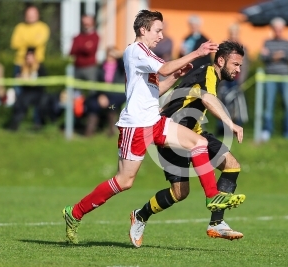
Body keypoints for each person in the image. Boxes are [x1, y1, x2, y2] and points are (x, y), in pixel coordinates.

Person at [62, 10, 245, 245]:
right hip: (136, 126)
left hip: (155, 121)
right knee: (124, 181)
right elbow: (165, 68)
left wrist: (175, 76)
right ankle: (74, 213)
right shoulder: (135, 51)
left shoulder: (146, 54)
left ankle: (212, 197)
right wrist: (196, 53)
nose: (161, 35)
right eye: (158, 30)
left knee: (198, 142)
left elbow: (155, 90)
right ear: (143, 30)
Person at [129, 41, 246, 247]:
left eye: (240, 66)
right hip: (170, 134)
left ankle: (216, 223)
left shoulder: (208, 75)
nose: (238, 69)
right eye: (235, 64)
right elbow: (208, 99)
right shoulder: (208, 72)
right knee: (179, 193)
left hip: (194, 134)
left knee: (232, 165)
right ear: (221, 60)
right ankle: (140, 215)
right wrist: (231, 124)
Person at [260, 17, 288, 141]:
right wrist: (279, 55)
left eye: (281, 29)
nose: (278, 31)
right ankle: (267, 131)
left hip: (285, 76)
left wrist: (271, 56)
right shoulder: (267, 42)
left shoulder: (287, 43)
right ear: (273, 29)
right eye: (276, 29)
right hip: (270, 77)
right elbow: (263, 57)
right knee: (268, 105)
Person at [84, 47, 126, 137]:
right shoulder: (100, 68)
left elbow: (125, 62)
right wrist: (101, 95)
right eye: (109, 55)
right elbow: (97, 84)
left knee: (111, 106)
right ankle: (89, 132)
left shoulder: (121, 67)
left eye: (113, 55)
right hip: (103, 95)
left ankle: (112, 131)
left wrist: (119, 56)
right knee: (93, 105)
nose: (111, 58)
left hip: (117, 95)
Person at [215, 24, 249, 136]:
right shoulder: (224, 49)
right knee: (222, 104)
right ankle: (222, 129)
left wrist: (241, 81)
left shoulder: (244, 49)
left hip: (237, 81)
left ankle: (237, 129)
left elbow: (245, 66)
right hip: (225, 80)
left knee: (236, 105)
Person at [7, 48, 47, 131]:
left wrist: (29, 80)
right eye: (27, 58)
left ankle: (37, 124)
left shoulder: (40, 68)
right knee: (19, 101)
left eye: (30, 57)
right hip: (26, 92)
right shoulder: (23, 68)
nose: (28, 60)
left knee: (25, 100)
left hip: (37, 93)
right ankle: (14, 124)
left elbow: (42, 84)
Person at [10, 5, 50, 88]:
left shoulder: (43, 27)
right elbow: (14, 44)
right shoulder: (19, 27)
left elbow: (38, 42)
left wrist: (24, 41)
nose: (30, 16)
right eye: (29, 14)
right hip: (20, 62)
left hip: (36, 63)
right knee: (18, 90)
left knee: (38, 89)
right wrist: (32, 40)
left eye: (33, 14)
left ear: (38, 15)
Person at [70, 15, 100, 120]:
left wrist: (80, 48)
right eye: (84, 22)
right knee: (76, 95)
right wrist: (84, 47)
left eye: (88, 22)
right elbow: (72, 51)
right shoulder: (77, 37)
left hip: (90, 68)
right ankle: (77, 118)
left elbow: (90, 51)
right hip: (77, 68)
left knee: (93, 93)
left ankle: (93, 119)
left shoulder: (95, 37)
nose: (86, 25)